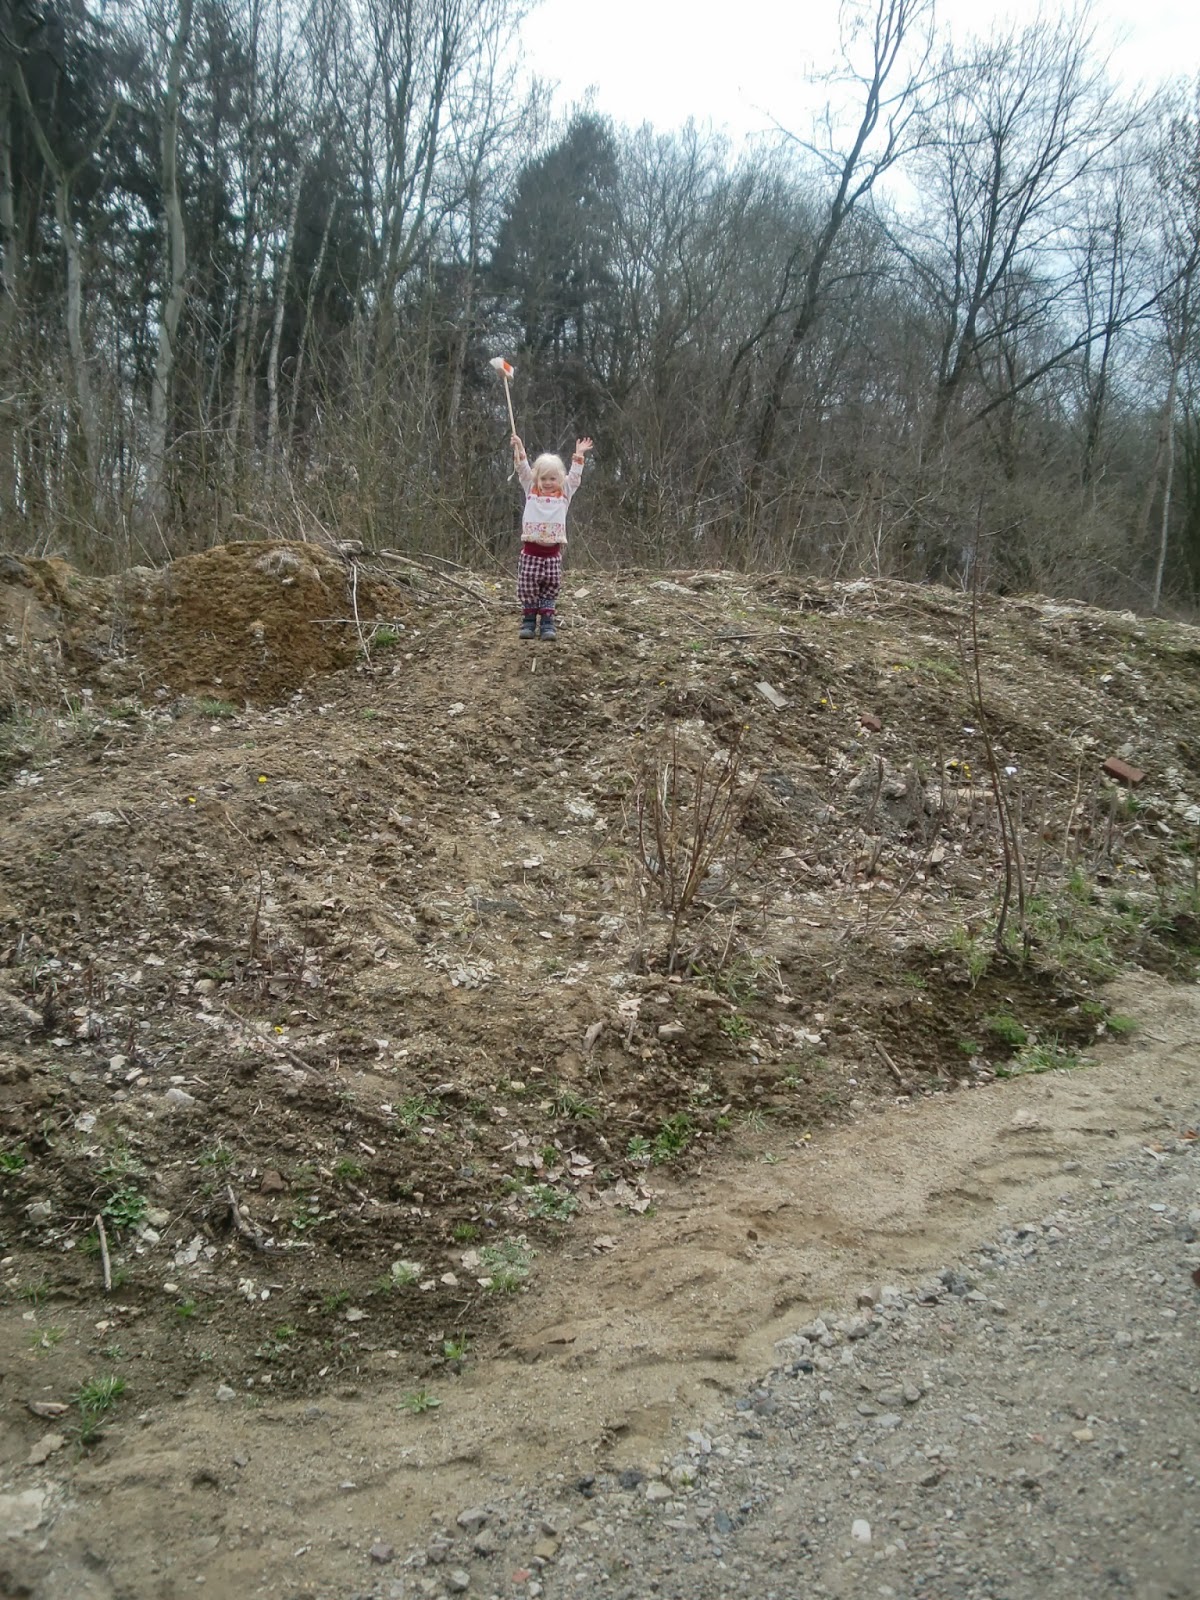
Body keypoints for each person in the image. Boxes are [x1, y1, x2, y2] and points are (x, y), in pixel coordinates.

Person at [511, 434, 593, 641]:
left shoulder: (564, 493)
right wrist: (519, 446)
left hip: (553, 554)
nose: (548, 483)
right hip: (530, 552)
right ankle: (529, 621)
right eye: (544, 478)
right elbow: (522, 468)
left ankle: (547, 623)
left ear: (560, 479)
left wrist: (579, 455)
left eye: (552, 479)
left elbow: (575, 477)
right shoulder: (531, 489)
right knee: (528, 586)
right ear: (537, 479)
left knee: (550, 586)